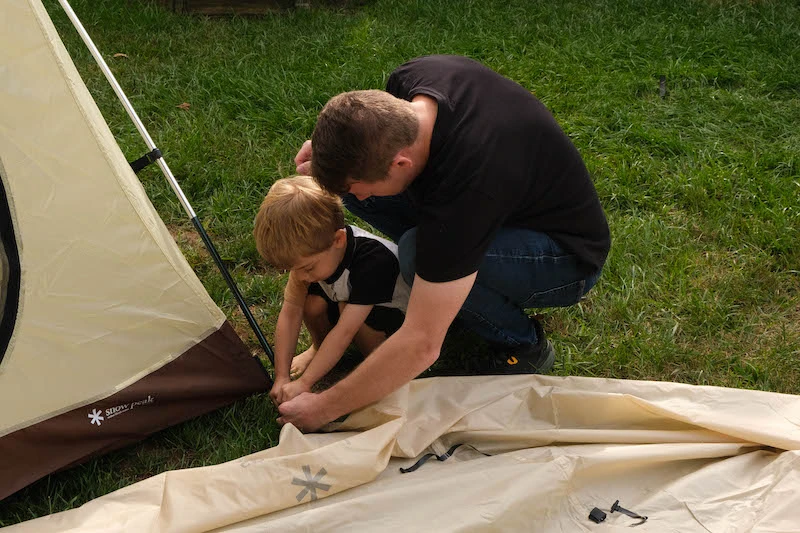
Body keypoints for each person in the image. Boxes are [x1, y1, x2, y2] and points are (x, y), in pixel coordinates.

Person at [279, 55, 611, 431]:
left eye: (361, 184)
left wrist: (322, 408)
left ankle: (523, 344)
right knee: (359, 195)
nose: (356, 194)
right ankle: (448, 293)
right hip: (499, 208)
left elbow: (421, 344)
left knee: (417, 254)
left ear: (400, 164)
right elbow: (365, 140)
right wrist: (331, 157)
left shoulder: (467, 194)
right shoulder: (413, 81)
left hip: (564, 258)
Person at [253, 176, 410, 405]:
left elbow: (344, 331)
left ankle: (379, 368)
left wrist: (304, 383)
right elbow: (290, 312)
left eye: (307, 268)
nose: (301, 276)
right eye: (294, 269)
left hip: (398, 321)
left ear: (338, 240)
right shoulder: (318, 254)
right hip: (349, 305)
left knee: (346, 308)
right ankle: (319, 349)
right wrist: (282, 377)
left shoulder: (373, 262)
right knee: (310, 303)